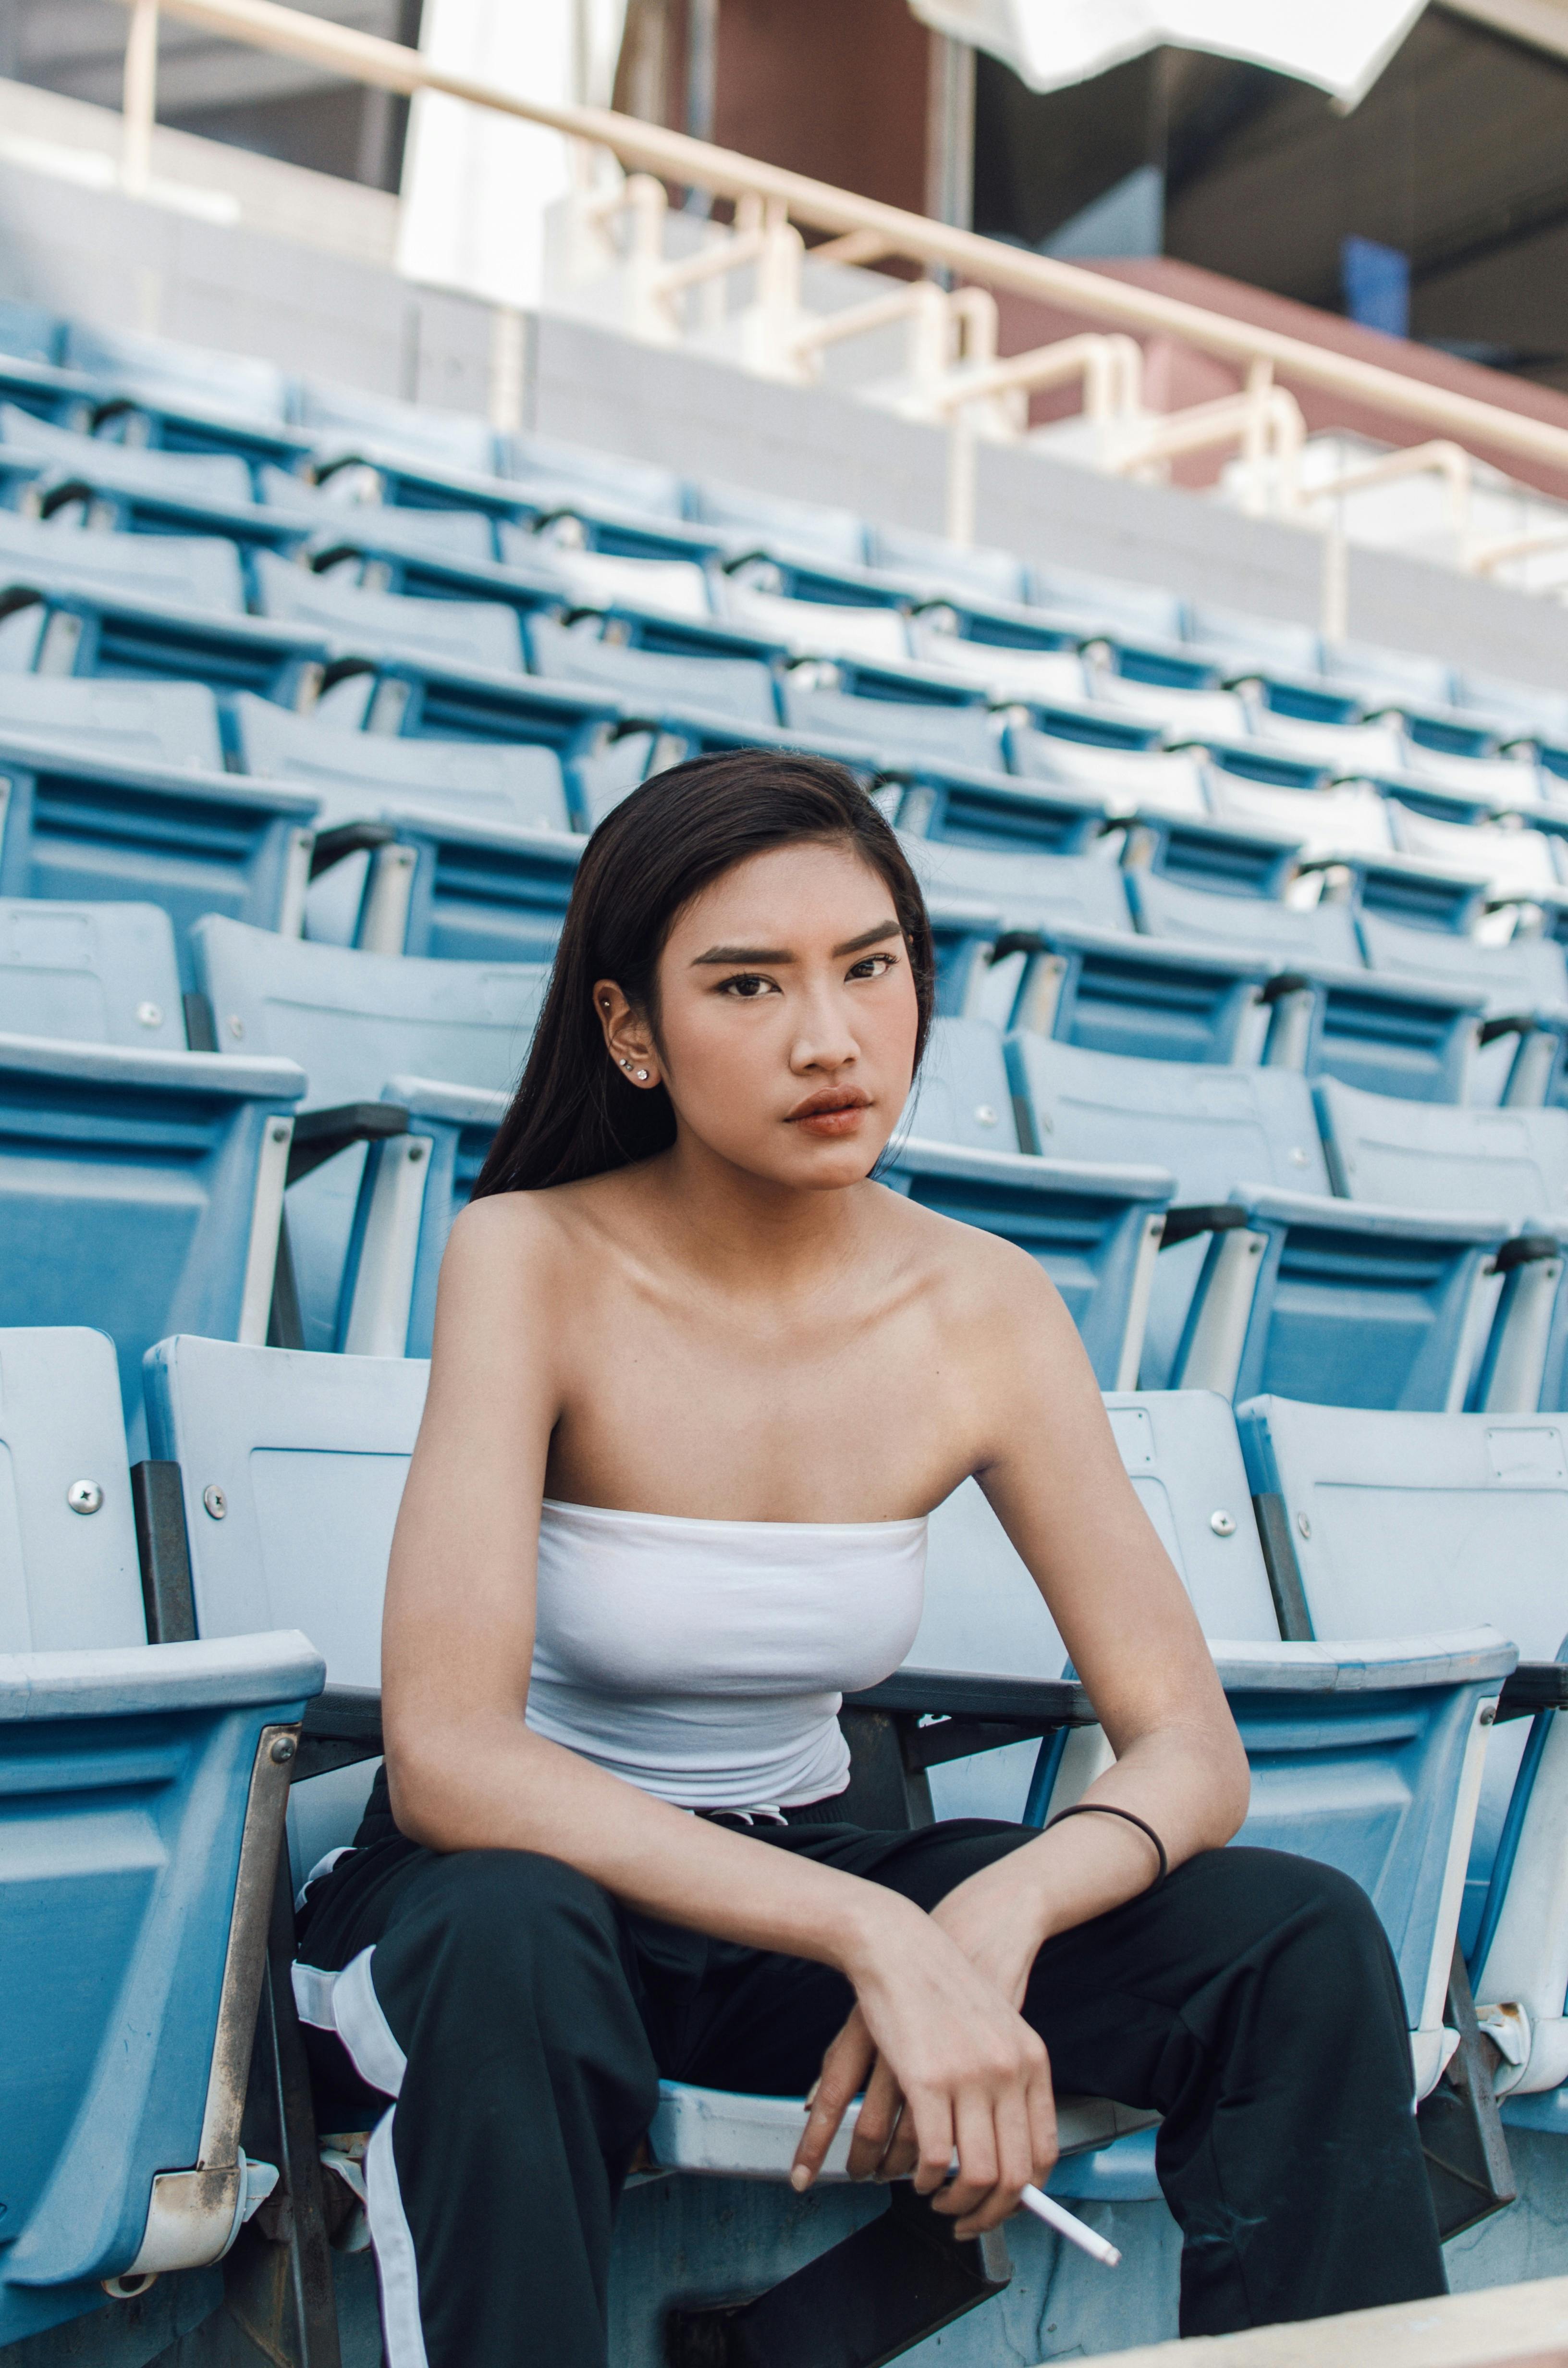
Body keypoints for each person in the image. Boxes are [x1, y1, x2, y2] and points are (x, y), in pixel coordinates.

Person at [295, 750, 1445, 2368]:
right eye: (748, 984)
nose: (830, 1040)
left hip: (792, 1895)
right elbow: (456, 1762)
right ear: (631, 1031)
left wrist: (997, 1915)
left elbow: (1190, 1747)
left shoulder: (985, 1306)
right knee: (512, 1943)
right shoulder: (527, 1260)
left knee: (1296, 1939)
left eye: (870, 968)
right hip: (499, 1917)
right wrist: (879, 1935)